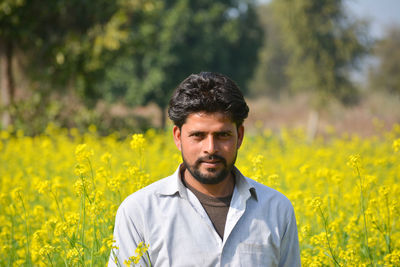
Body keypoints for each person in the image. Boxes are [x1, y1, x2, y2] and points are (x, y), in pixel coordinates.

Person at [109, 72, 300, 266]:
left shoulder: (276, 210)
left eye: (223, 135)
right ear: (177, 136)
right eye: (198, 135)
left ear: (240, 136)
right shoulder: (139, 212)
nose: (210, 148)